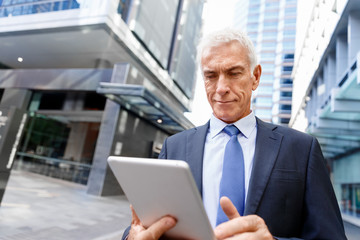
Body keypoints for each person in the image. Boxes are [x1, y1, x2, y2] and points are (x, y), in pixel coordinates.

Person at [122, 28, 347, 239]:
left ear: (255, 77)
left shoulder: (301, 149)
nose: (221, 87)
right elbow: (148, 224)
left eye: (233, 73)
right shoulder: (174, 147)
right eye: (211, 75)